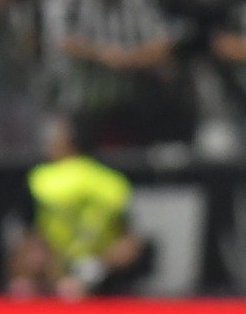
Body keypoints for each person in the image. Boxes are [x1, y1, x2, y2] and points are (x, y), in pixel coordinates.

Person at [8, 118, 145, 299]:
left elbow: (28, 240)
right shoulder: (113, 183)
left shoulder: (41, 180)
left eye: (53, 139)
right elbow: (129, 243)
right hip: (83, 273)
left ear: (65, 143)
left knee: (23, 276)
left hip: (89, 280)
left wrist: (91, 270)